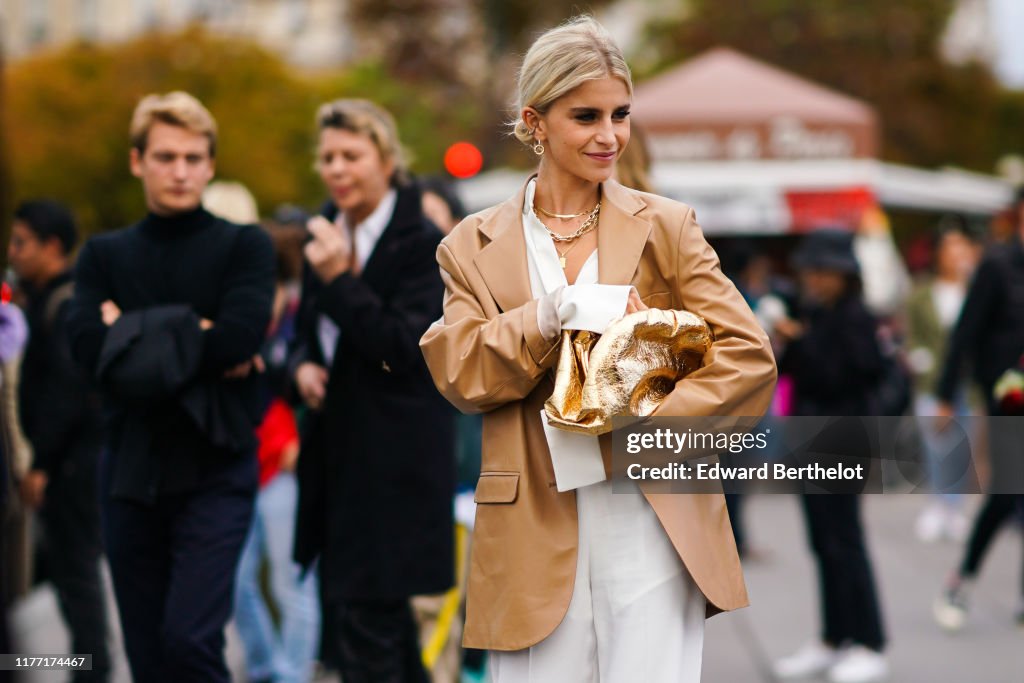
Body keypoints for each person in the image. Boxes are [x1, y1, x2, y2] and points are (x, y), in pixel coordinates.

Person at [419, 17, 776, 681]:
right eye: (586, 115)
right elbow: (459, 370)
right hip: (528, 521)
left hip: (652, 519)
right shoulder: (470, 244)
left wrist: (642, 407)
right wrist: (547, 316)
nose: (610, 135)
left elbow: (749, 358)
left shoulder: (667, 225)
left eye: (621, 114)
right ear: (536, 121)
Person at [64, 91, 275, 682]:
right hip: (129, 473)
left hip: (217, 466)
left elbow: (237, 340)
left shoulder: (244, 245)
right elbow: (84, 352)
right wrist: (190, 332)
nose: (179, 171)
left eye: (192, 157)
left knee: (190, 641)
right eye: (165, 157)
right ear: (138, 162)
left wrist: (127, 334)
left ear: (210, 165)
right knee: (149, 655)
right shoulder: (103, 255)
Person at [290, 99, 455, 682]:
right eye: (328, 157)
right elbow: (308, 334)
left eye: (351, 156)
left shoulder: (422, 243)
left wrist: (340, 282)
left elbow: (405, 348)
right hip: (339, 466)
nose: (337, 169)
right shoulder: (326, 233)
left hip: (396, 467)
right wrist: (302, 366)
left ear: (387, 161)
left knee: (368, 629)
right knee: (370, 630)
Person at [772, 230, 889, 683]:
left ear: (845, 275)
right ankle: (833, 637)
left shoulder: (855, 318)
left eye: (824, 271)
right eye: (812, 271)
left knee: (845, 541)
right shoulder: (817, 312)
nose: (815, 279)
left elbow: (847, 374)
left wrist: (801, 341)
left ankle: (869, 641)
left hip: (843, 440)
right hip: (811, 438)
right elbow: (798, 372)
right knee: (823, 542)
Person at [7, 199, 112, 682]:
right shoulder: (40, 299)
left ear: (53, 246)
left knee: (78, 583)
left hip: (71, 467)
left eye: (21, 242)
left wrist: (40, 464)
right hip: (67, 464)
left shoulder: (66, 304)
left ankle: (90, 671)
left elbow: (66, 396)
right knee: (73, 584)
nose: (13, 251)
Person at [932, 187, 1024, 631]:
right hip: (1010, 394)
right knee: (1008, 494)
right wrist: (945, 395)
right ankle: (962, 578)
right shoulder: (997, 266)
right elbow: (965, 335)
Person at [905, 217, 982, 542]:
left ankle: (954, 507)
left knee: (963, 446)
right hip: (933, 382)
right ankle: (937, 505)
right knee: (936, 445)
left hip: (970, 383)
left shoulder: (979, 289)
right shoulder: (923, 293)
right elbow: (913, 337)